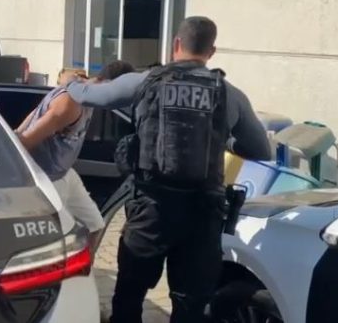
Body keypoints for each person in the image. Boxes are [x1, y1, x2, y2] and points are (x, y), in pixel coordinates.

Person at [64, 17, 272, 323]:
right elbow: (261, 150)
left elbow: (91, 96)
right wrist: (222, 139)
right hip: (202, 215)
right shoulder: (229, 94)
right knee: (190, 303)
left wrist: (69, 82)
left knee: (129, 294)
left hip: (151, 210)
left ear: (176, 44)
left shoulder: (144, 81)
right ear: (211, 51)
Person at [15, 60, 135, 249]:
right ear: (109, 86)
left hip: (65, 173)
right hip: (47, 178)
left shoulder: (85, 93)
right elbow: (26, 139)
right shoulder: (70, 103)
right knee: (57, 242)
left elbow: (33, 115)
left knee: (94, 226)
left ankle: (85, 267)